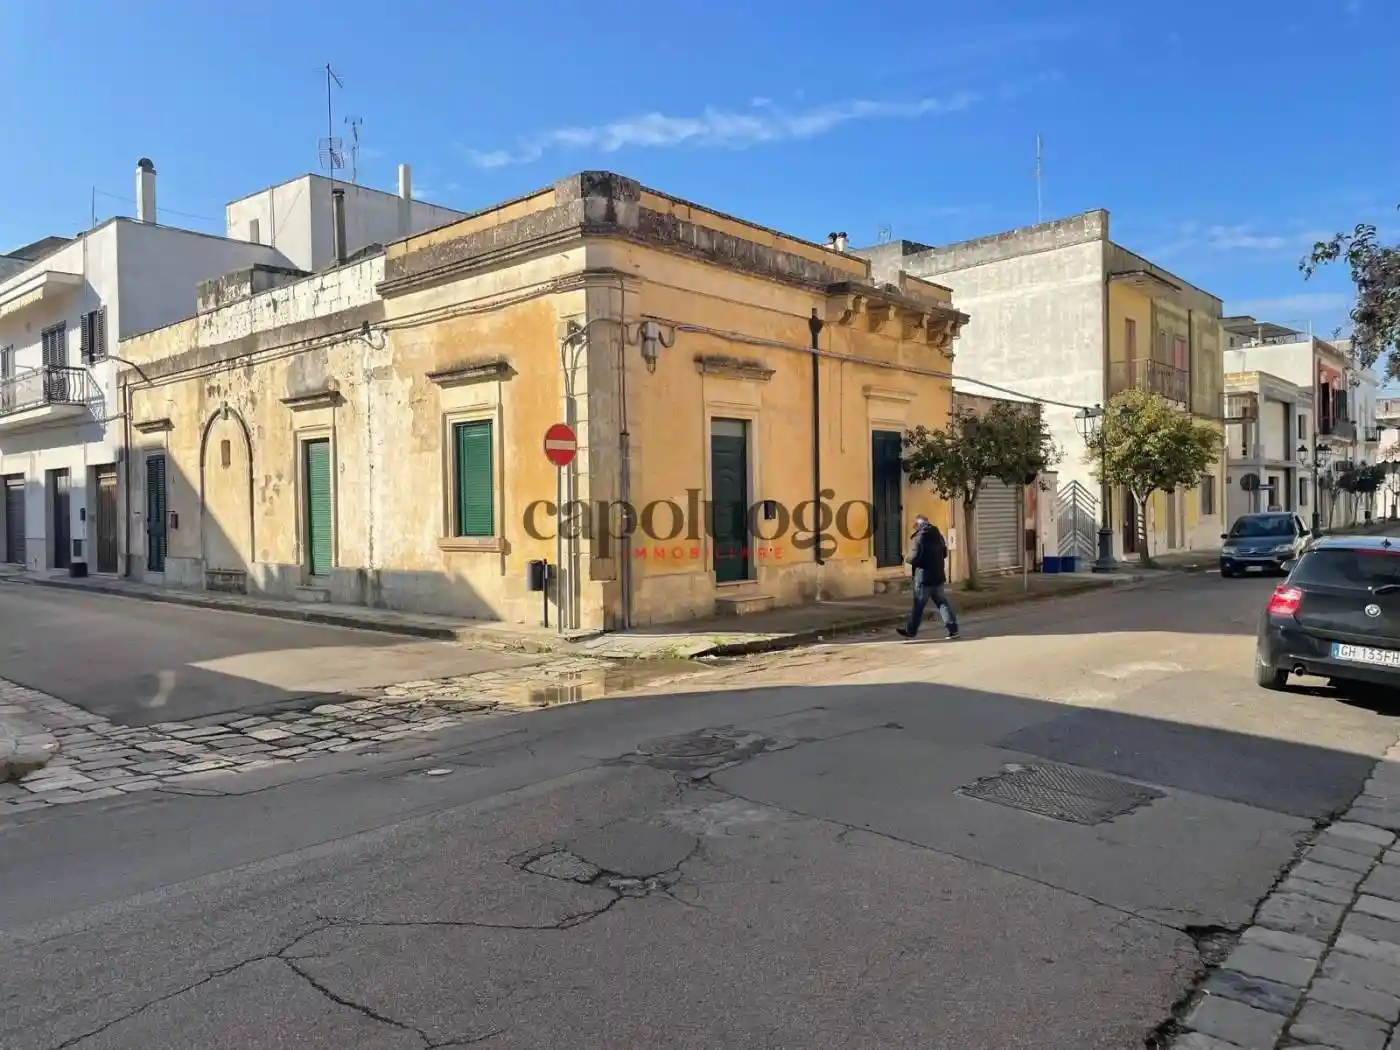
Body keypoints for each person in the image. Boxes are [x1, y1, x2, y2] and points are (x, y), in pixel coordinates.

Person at [896, 514, 959, 639]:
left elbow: (915, 557)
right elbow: (945, 553)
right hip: (938, 575)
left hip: (923, 578)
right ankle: (953, 629)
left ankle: (911, 631)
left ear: (919, 525)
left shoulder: (920, 538)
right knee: (942, 603)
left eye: (916, 526)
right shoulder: (938, 535)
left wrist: (906, 558)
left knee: (918, 605)